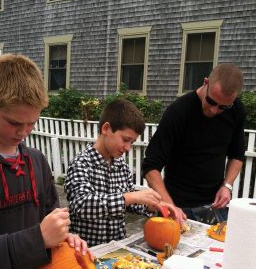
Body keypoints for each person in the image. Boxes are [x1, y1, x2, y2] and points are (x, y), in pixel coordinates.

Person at [0, 53, 89, 269]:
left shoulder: (37, 162)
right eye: (14, 122)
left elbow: (49, 221)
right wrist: (37, 239)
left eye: (32, 123)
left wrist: (62, 239)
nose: (24, 132)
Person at [64, 98, 177, 247]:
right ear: (106, 129)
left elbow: (129, 203)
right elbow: (82, 205)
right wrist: (129, 197)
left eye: (132, 142)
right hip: (88, 251)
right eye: (125, 139)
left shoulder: (121, 166)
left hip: (118, 248)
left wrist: (150, 205)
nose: (128, 147)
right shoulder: (81, 163)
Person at [142, 63, 246, 224]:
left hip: (215, 206)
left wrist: (227, 186)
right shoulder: (178, 112)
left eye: (223, 107)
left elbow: (237, 155)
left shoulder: (237, 110)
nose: (214, 110)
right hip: (178, 205)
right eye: (211, 101)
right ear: (206, 82)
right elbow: (151, 166)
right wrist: (169, 204)